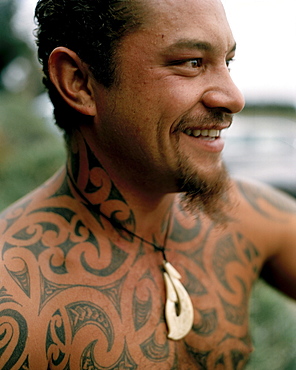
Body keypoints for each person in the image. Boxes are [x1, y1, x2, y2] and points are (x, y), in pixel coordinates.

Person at [0, 0, 295, 368]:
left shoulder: (242, 218)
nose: (234, 98)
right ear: (79, 83)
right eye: (191, 62)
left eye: (228, 62)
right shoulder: (13, 300)